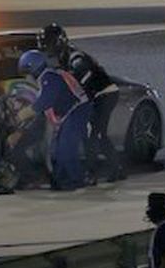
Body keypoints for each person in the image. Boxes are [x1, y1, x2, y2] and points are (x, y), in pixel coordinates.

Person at [40, 24, 124, 183]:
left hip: (104, 94)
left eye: (48, 43)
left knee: (95, 133)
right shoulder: (64, 57)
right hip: (93, 95)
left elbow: (83, 83)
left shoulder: (76, 58)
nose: (47, 49)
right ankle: (107, 168)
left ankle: (97, 171)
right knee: (90, 133)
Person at [17, 50, 90, 191]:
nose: (27, 76)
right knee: (57, 149)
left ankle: (75, 180)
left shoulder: (49, 78)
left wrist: (24, 113)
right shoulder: (49, 77)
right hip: (72, 113)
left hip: (76, 112)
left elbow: (45, 101)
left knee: (66, 148)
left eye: (27, 72)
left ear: (33, 68)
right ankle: (62, 179)